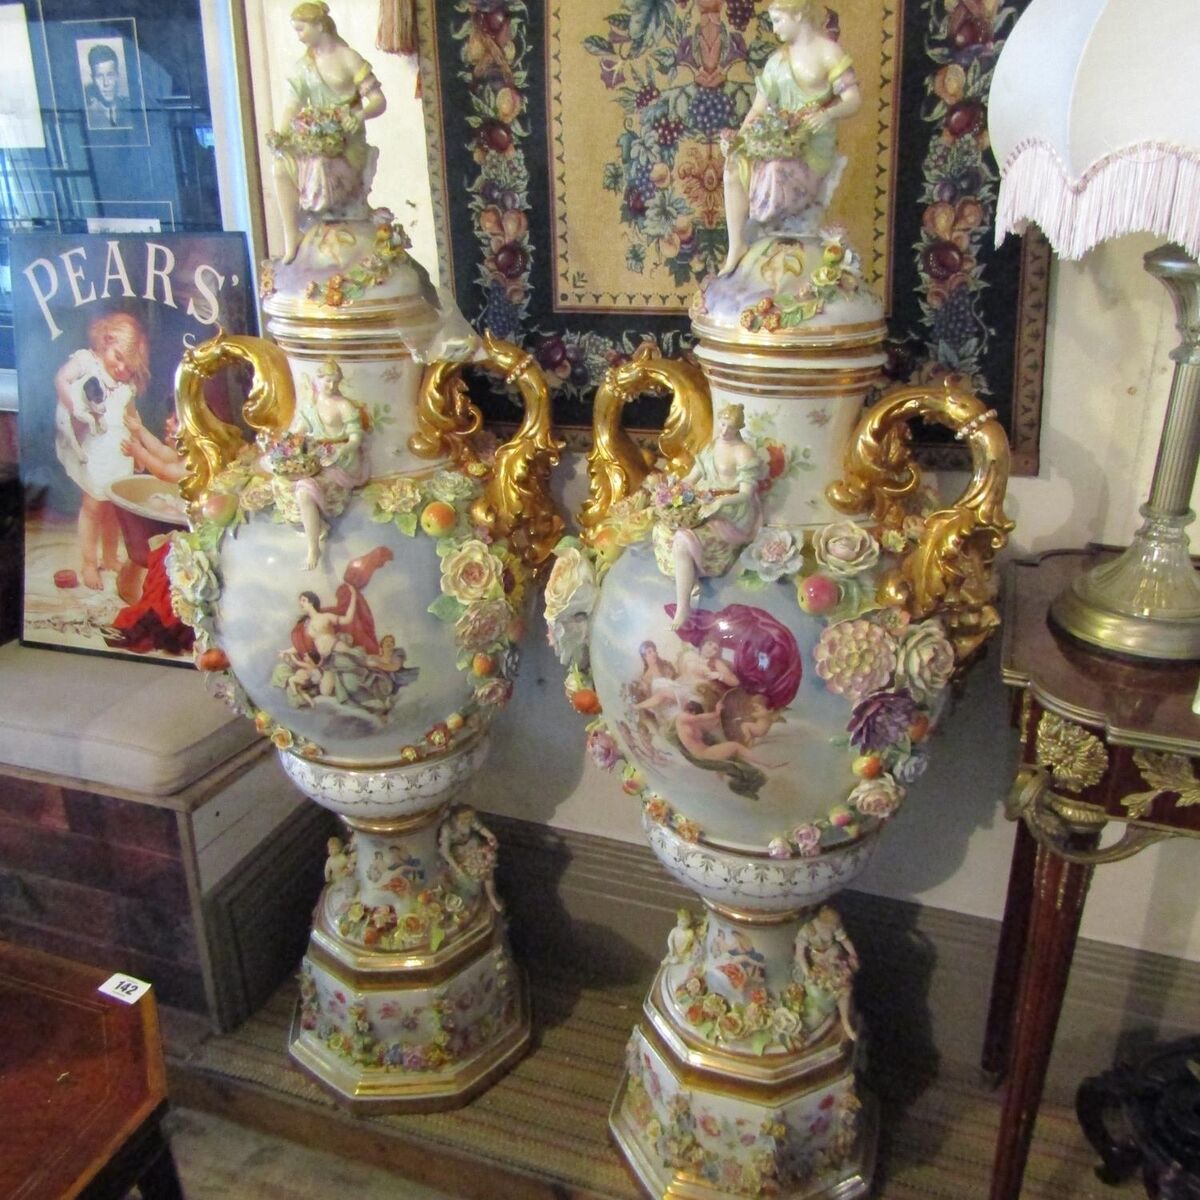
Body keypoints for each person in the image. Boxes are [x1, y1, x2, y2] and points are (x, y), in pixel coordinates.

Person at [719, 0, 860, 272]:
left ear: (799, 15)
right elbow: (758, 110)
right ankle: (736, 246)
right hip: (779, 144)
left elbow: (853, 100)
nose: (774, 29)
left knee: (774, 172)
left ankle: (773, 237)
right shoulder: (777, 62)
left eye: (778, 20)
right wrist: (739, 141)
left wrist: (828, 114)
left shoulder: (828, 53)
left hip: (811, 152)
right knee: (733, 167)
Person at [270, 1, 387, 262]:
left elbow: (379, 101)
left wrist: (358, 115)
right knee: (279, 167)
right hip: (316, 142)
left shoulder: (348, 58)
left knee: (322, 165)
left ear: (320, 26)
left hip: (346, 145)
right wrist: (280, 136)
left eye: (301, 29)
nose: (299, 36)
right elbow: (292, 106)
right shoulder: (303, 67)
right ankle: (292, 238)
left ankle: (334, 229)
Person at [54, 312, 150, 590]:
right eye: (118, 357)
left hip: (118, 457)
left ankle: (109, 557)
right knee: (93, 507)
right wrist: (73, 407)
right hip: (94, 452)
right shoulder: (87, 362)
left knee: (113, 510)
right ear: (105, 342)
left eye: (129, 366)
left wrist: (139, 451)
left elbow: (133, 420)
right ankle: (88, 562)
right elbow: (61, 379)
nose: (121, 368)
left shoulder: (127, 385)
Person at [661, 404, 764, 628]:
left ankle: (683, 606)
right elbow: (693, 477)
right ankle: (688, 583)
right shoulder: (713, 446)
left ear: (740, 428)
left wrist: (720, 502)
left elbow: (746, 494)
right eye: (723, 424)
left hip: (731, 513)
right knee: (662, 529)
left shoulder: (743, 452)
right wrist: (674, 486)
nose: (725, 430)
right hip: (704, 504)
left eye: (731, 427)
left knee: (682, 541)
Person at [286, 358, 371, 569]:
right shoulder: (311, 406)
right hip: (317, 459)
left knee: (304, 491)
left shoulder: (344, 405)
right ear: (318, 379)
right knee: (285, 483)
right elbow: (300, 430)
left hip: (341, 461)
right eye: (327, 381)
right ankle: (315, 530)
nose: (331, 386)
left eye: (335, 382)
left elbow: (356, 438)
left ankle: (313, 548)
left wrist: (343, 450)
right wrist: (287, 440)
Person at [83, 43, 130, 130]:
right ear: (93, 79)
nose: (106, 83)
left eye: (110, 75)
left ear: (117, 76)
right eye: (100, 76)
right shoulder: (88, 115)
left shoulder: (130, 107)